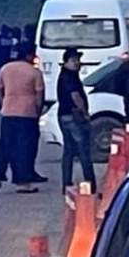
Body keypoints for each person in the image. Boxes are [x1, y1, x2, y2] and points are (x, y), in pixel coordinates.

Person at [0, 45, 45, 194]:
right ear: (28, 55)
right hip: (27, 113)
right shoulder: (34, 72)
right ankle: (22, 182)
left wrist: (4, 102)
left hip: (8, 111)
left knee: (5, 145)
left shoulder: (5, 69)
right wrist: (38, 111)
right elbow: (39, 95)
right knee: (24, 148)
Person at [56, 48, 96, 195]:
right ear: (66, 62)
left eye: (78, 60)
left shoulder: (65, 75)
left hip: (64, 115)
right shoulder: (69, 77)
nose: (77, 63)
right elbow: (75, 96)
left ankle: (66, 184)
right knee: (83, 150)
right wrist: (84, 113)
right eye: (73, 60)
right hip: (74, 116)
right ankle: (90, 185)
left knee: (69, 151)